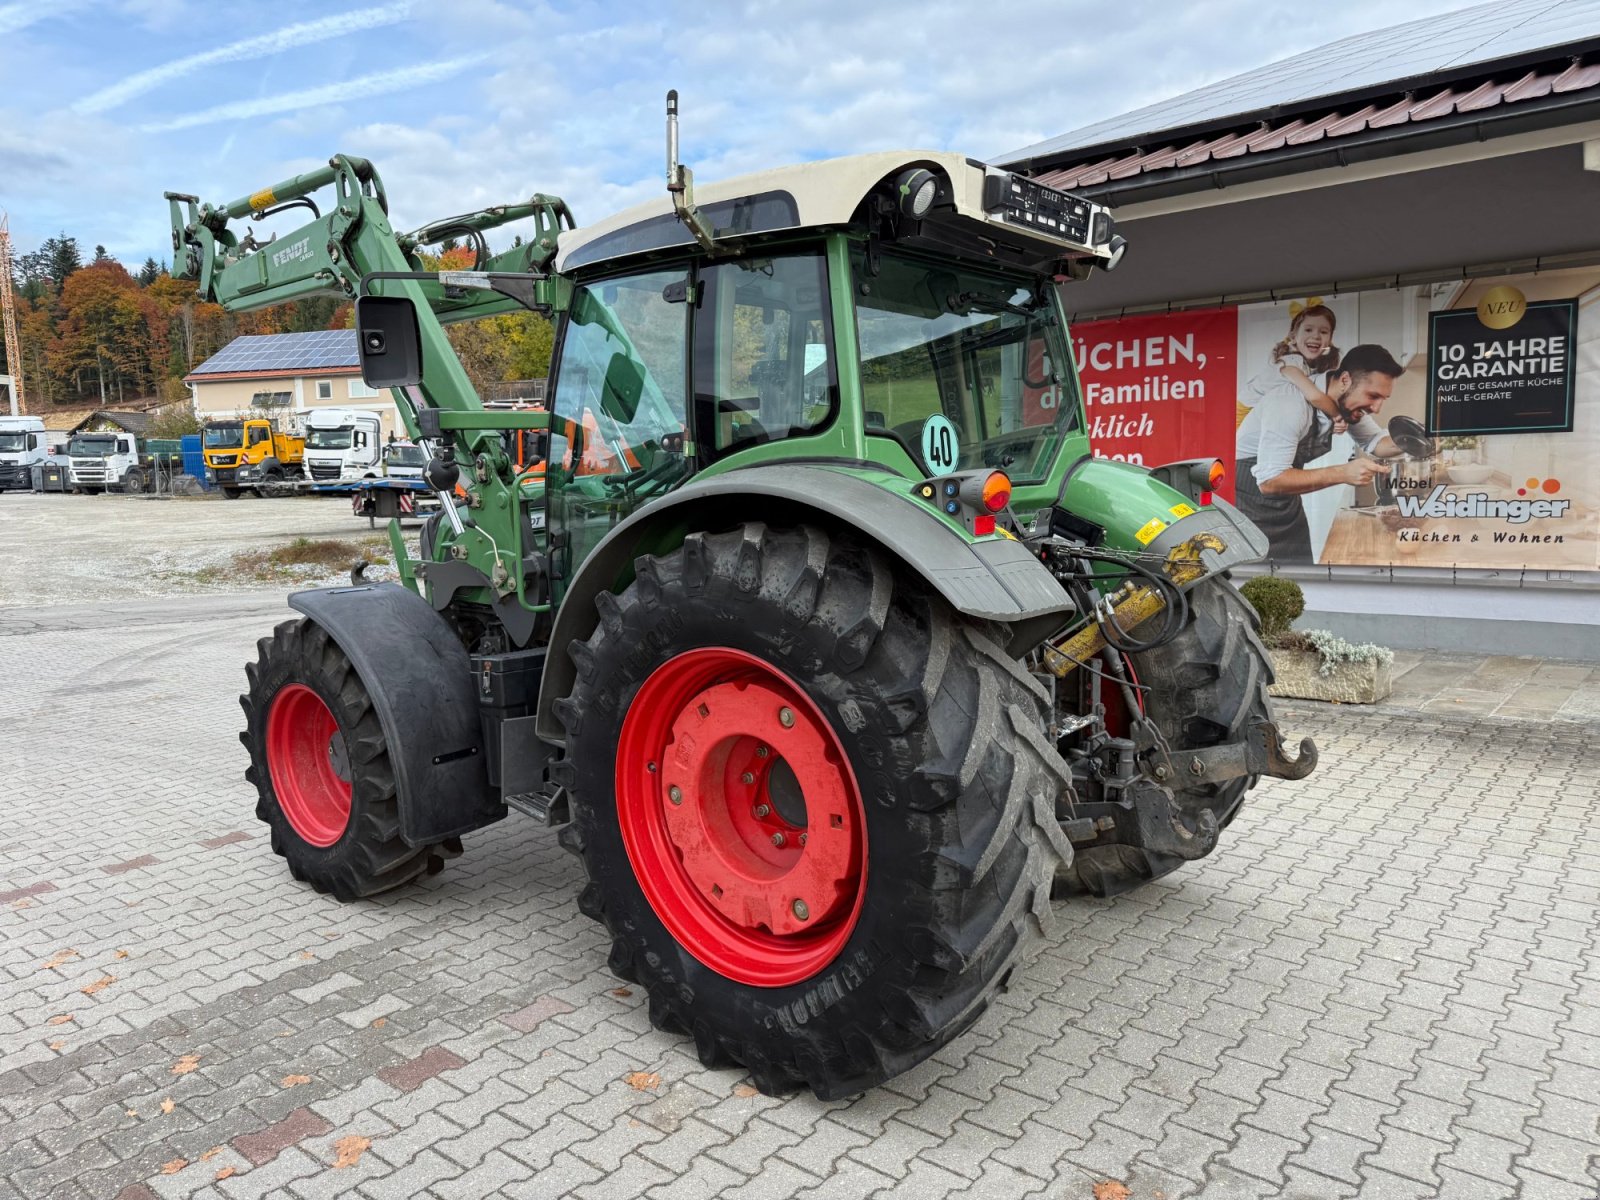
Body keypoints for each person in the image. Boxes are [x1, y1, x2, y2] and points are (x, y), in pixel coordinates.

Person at [1235, 343, 1404, 562]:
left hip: (1286, 505)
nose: (1377, 408)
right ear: (1345, 380)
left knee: (1301, 583)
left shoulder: (1344, 406)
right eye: (1373, 396)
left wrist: (1420, 438)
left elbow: (1376, 442)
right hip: (1247, 507)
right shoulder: (1289, 403)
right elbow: (1270, 480)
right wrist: (1343, 473)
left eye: (1383, 399)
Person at [1241, 300, 1345, 427]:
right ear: (1293, 337)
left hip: (1265, 415)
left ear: (1330, 340)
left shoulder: (1314, 367)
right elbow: (1314, 397)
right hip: (1244, 415)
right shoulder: (1291, 362)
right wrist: (1338, 416)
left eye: (1323, 332)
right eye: (1308, 330)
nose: (1316, 336)